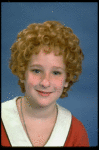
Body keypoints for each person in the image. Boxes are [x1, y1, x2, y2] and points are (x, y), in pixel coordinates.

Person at [1, 21, 89, 147]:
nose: (45, 82)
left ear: (67, 79)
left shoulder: (75, 131)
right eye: (36, 70)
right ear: (22, 72)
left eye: (56, 73)